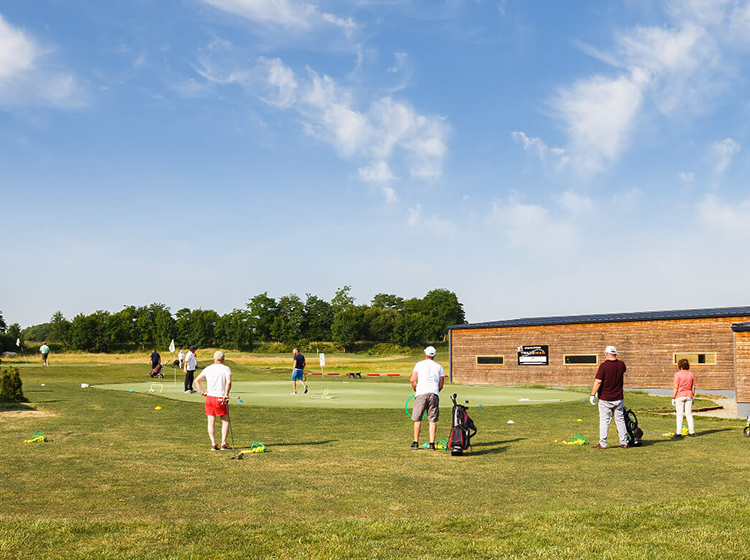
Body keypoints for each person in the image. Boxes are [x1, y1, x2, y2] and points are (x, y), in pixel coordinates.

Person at [590, 345, 629, 449]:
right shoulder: (621, 364)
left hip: (605, 398)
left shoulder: (603, 366)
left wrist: (592, 394)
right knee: (620, 420)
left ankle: (602, 443)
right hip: (619, 398)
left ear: (607, 354)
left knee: (604, 421)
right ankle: (624, 442)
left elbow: (598, 381)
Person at [194, 350, 233, 451]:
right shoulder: (226, 369)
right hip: (220, 397)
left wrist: (202, 392)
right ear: (223, 359)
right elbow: (228, 383)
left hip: (210, 398)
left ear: (214, 359)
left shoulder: (208, 368)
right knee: (225, 420)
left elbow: (196, 381)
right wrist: (226, 394)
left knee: (211, 422)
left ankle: (213, 444)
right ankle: (223, 443)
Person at [409, 346, 445, 450]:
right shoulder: (439, 367)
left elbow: (412, 380)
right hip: (434, 393)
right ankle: (432, 444)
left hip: (421, 393)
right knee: (432, 420)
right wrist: (435, 391)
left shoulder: (419, 364)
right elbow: (441, 384)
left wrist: (415, 389)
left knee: (417, 419)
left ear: (425, 354)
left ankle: (416, 442)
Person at [673, 358, 696, 437]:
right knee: (689, 414)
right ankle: (691, 432)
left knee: (679, 415)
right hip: (689, 395)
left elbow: (676, 387)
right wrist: (692, 396)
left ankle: (678, 432)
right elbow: (693, 386)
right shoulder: (691, 374)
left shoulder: (678, 374)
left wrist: (673, 397)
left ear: (680, 366)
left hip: (680, 395)